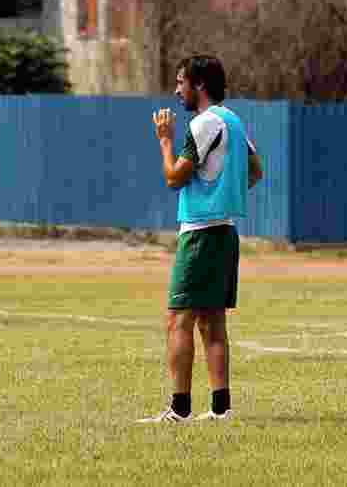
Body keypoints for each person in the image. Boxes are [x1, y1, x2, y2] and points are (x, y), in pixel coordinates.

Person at [138, 53, 263, 424]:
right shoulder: (233, 121)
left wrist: (164, 141)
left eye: (181, 82)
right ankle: (221, 408)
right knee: (212, 323)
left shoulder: (203, 123)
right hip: (225, 232)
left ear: (199, 85)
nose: (177, 90)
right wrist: (225, 191)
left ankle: (179, 410)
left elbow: (174, 177)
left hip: (201, 234)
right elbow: (255, 170)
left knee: (178, 320)